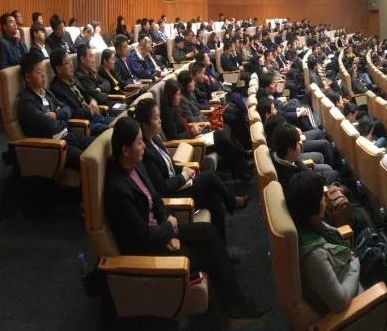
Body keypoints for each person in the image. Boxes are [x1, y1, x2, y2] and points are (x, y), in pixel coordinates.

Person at [104, 117, 268, 321]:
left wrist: (167, 224)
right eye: (139, 142)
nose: (143, 145)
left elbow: (157, 200)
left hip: (161, 230)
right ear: (125, 150)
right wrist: (168, 231)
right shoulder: (118, 189)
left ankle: (231, 302)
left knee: (208, 231)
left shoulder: (136, 166)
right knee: (207, 254)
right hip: (148, 248)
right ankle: (235, 307)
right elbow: (140, 236)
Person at [132, 98, 250, 244]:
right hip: (173, 196)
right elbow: (163, 188)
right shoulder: (145, 153)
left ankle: (222, 246)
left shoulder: (155, 139)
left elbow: (170, 164)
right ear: (144, 124)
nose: (160, 120)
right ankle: (231, 201)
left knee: (214, 200)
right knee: (209, 176)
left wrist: (183, 168)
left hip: (180, 184)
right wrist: (184, 175)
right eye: (156, 118)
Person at [285, 171, 362, 314]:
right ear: (314, 206)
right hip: (351, 311)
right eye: (322, 197)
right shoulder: (314, 256)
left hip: (342, 270)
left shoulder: (307, 224)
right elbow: (340, 302)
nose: (325, 200)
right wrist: (355, 263)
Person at [160, 79, 252, 181]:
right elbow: (173, 137)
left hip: (194, 137)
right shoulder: (168, 112)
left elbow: (185, 126)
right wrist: (191, 131)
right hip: (191, 144)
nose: (179, 97)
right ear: (170, 95)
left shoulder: (175, 108)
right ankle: (242, 157)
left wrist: (193, 127)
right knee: (221, 136)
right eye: (177, 95)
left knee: (224, 131)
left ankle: (240, 167)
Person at [17, 52, 93, 169]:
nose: (43, 75)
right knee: (89, 161)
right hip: (54, 147)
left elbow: (68, 108)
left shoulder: (47, 93)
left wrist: (56, 114)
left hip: (68, 136)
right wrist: (62, 119)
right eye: (39, 72)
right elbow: (49, 125)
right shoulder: (27, 102)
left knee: (98, 146)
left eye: (43, 70)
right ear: (27, 77)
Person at [49, 48, 113, 136]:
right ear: (59, 69)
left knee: (118, 121)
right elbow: (71, 112)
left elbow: (86, 93)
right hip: (84, 123)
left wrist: (92, 100)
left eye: (71, 61)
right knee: (115, 129)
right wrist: (89, 109)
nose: (71, 65)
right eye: (67, 63)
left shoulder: (73, 78)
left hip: (94, 116)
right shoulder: (56, 89)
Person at [271, 123, 339, 187]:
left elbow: (299, 165)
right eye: (298, 143)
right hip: (309, 184)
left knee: (327, 168)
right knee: (334, 173)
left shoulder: (282, 155)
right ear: (290, 150)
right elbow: (311, 184)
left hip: (307, 174)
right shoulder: (291, 178)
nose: (300, 144)